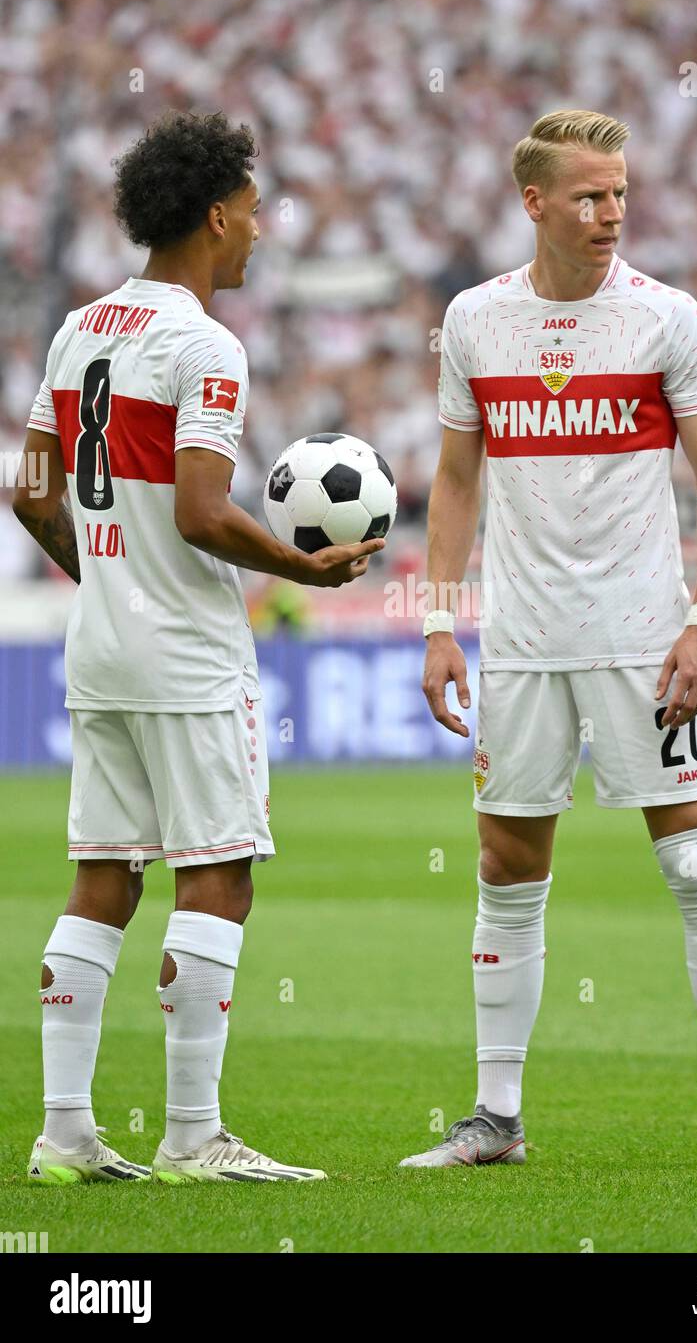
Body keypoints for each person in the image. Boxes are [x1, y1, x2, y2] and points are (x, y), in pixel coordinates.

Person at [406, 109, 697, 1170]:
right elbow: (455, 483)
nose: (609, 210)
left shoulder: (666, 318)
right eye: (587, 194)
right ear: (534, 203)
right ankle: (495, 1118)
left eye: (618, 191)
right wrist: (438, 623)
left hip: (641, 637)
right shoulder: (475, 320)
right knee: (504, 866)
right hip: (520, 640)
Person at [14, 110, 383, 1185]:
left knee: (103, 879)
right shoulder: (203, 342)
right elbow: (202, 510)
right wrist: (301, 567)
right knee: (216, 878)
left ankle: (66, 1134)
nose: (260, 230)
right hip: (184, 653)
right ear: (216, 215)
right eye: (255, 211)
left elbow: (31, 489)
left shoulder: (82, 326)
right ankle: (191, 1136)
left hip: (98, 650)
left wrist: (102, 576)